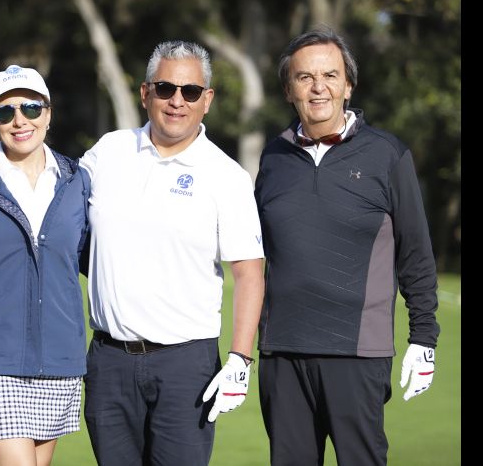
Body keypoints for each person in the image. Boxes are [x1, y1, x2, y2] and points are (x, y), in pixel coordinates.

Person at [254, 26, 440, 466]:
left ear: (348, 85)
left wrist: (424, 337)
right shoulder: (273, 158)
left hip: (356, 354)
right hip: (282, 354)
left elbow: (415, 252)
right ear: (288, 89)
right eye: (304, 78)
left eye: (330, 76)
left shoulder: (387, 155)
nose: (318, 87)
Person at [79, 40, 266, 466]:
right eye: (165, 89)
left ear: (207, 100)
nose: (177, 101)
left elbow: (249, 272)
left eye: (190, 91)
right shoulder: (108, 151)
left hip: (186, 367)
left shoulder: (226, 176)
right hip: (109, 362)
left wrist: (240, 358)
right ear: (146, 94)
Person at [0, 65, 90, 466]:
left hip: (59, 357)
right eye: (5, 111)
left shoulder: (77, 180)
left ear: (48, 113)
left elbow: (93, 258)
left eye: (31, 108)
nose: (19, 121)